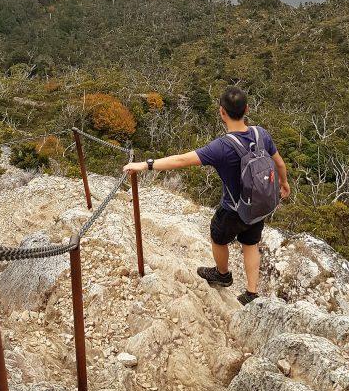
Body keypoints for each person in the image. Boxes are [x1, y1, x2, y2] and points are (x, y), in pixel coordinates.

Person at [123, 86, 290, 305]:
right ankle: (251, 293)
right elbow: (279, 162)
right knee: (251, 244)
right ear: (247, 109)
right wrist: (284, 183)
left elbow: (181, 160)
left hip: (233, 209)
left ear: (222, 112)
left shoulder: (221, 147)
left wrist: (145, 165)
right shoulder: (261, 134)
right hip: (259, 203)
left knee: (217, 237)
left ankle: (222, 275)